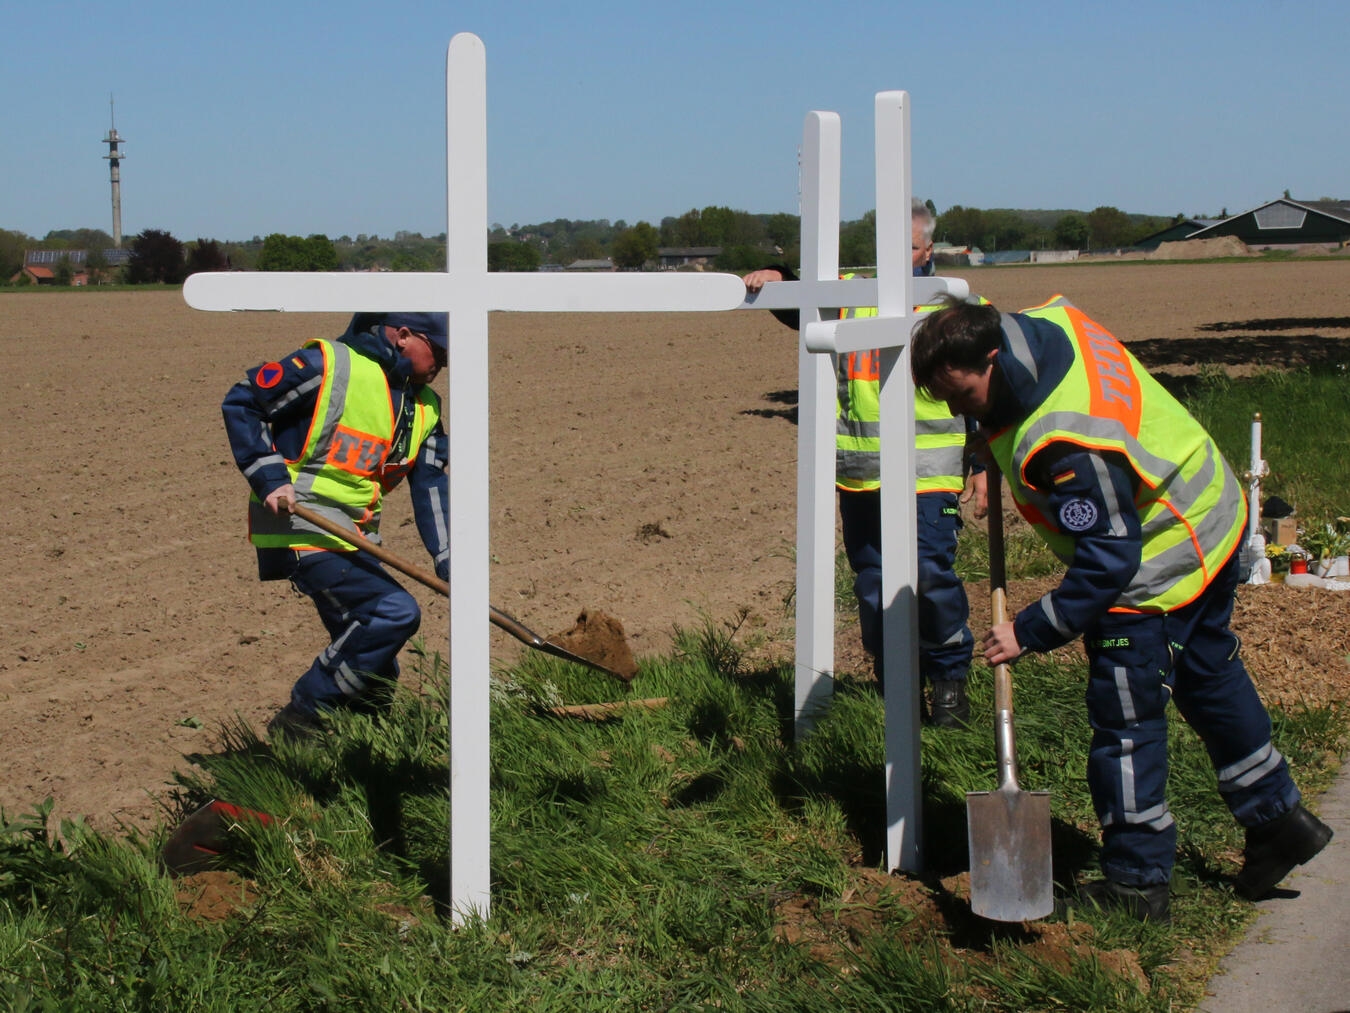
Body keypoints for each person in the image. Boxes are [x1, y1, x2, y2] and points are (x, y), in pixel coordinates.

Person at [910, 294, 1333, 920]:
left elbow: (1108, 559)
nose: (954, 408)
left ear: (991, 358)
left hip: (1156, 559)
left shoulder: (1066, 442)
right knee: (1207, 674)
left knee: (1126, 716)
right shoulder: (1043, 325)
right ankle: (1278, 822)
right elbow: (1005, 398)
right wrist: (983, 446)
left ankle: (1137, 882)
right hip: (1209, 511)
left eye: (963, 395)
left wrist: (1032, 628)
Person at [743, 199, 984, 727]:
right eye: (887, 248)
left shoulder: (952, 304)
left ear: (927, 251)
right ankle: (895, 683)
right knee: (873, 584)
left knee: (928, 576)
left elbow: (991, 387)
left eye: (909, 248)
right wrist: (779, 277)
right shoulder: (852, 292)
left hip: (928, 476)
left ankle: (948, 682)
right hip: (860, 479)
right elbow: (798, 306)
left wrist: (985, 460)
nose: (896, 258)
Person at [222, 311, 451, 737]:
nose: (445, 360)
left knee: (373, 664)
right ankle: (302, 718)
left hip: (355, 536)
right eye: (438, 348)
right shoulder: (329, 365)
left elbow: (432, 487)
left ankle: (359, 749)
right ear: (403, 336)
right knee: (390, 614)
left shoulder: (426, 408)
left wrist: (450, 559)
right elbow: (243, 401)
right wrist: (269, 477)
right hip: (296, 523)